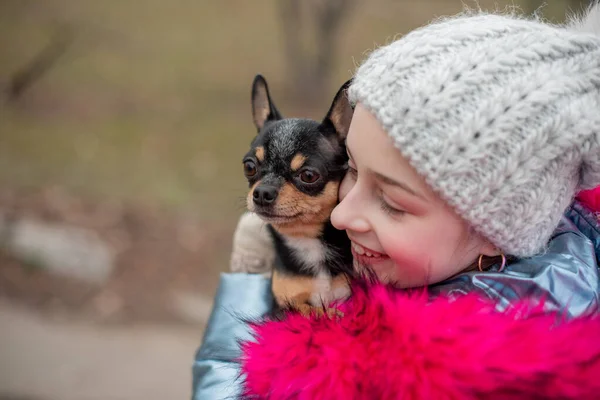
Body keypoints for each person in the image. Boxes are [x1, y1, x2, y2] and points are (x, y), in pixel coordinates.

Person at [193, 3, 600, 399]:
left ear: (496, 229)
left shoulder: (411, 372)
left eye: (391, 202)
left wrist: (245, 290)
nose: (341, 214)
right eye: (350, 169)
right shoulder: (508, 271)